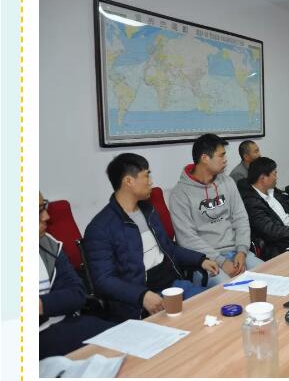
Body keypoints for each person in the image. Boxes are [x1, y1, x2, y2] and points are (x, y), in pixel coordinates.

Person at [83, 154, 218, 322]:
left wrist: (200, 260)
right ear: (129, 181)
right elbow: (103, 280)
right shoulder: (100, 228)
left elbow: (168, 248)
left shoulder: (148, 211)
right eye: (146, 175)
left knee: (217, 304)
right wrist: (142, 296)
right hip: (140, 303)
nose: (151, 182)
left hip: (174, 286)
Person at [169, 134, 263, 288]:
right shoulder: (180, 194)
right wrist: (221, 261)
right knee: (231, 290)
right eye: (221, 155)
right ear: (205, 158)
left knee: (268, 275)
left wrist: (242, 251)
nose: (225, 160)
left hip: (237, 253)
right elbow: (187, 239)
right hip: (207, 261)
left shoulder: (227, 182)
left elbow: (240, 218)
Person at [39, 193, 115, 359]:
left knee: (128, 337)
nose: (46, 216)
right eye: (38, 211)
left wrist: (40, 304)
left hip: (67, 324)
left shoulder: (49, 244)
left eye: (44, 208)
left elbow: (77, 294)